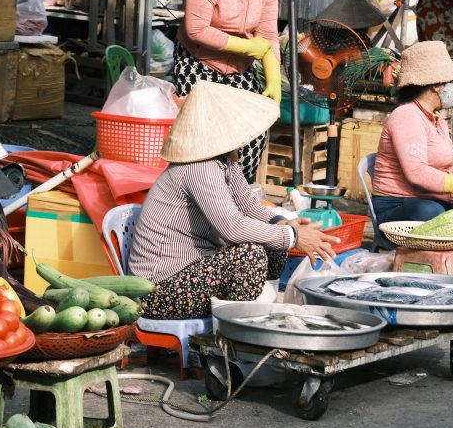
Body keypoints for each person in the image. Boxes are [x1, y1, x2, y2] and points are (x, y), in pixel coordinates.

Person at [129, 80, 340, 320]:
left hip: (194, 270)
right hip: (159, 289)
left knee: (272, 239)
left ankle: (260, 313)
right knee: (251, 254)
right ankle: (235, 335)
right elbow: (232, 227)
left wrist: (284, 223)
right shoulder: (200, 166)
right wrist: (294, 238)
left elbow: (249, 207)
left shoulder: (225, 161)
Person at [173, 0, 285, 183]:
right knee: (203, 135)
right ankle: (200, 193)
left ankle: (237, 195)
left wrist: (274, 79)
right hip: (198, 61)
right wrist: (247, 46)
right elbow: (196, 29)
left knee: (251, 134)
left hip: (239, 67)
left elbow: (268, 36)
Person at [371, 41, 453, 250]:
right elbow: (417, 174)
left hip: (432, 196)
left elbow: (445, 168)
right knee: (431, 213)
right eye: (450, 81)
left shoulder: (436, 117)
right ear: (436, 85)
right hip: (400, 205)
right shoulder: (407, 116)